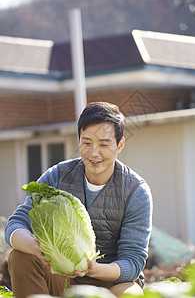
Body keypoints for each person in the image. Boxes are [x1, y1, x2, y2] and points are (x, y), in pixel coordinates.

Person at [5, 101, 153, 298]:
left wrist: (94, 269)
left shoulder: (136, 191)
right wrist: (35, 246)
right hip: (61, 273)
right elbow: (16, 223)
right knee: (20, 256)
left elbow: (133, 261)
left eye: (103, 144)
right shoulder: (58, 176)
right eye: (87, 142)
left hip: (111, 281)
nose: (94, 152)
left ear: (120, 145)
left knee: (129, 294)